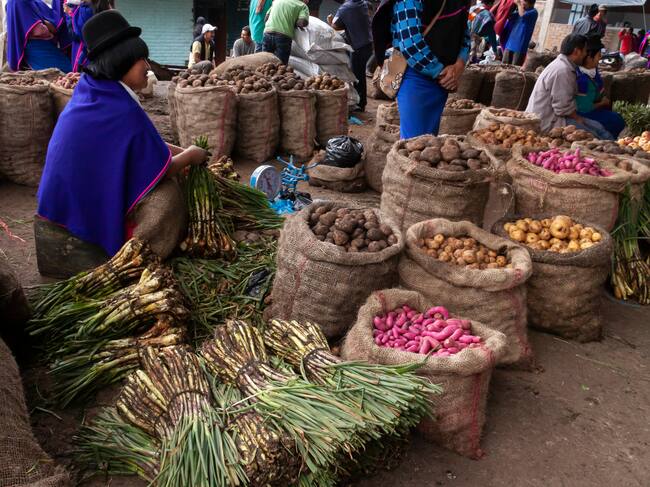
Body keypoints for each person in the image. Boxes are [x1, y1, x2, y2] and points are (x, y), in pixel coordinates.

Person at [37, 10, 208, 259]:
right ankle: (141, 256)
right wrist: (191, 156)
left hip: (57, 200)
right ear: (121, 59)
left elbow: (142, 145)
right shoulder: (122, 108)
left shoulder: (93, 89)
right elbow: (163, 169)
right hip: (76, 210)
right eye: (142, 60)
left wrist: (183, 151)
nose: (147, 67)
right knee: (168, 198)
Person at [372, 0, 471, 138]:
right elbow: (411, 43)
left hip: (441, 79)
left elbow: (465, 32)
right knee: (414, 144)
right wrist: (444, 73)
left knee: (427, 139)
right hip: (415, 76)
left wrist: (458, 66)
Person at [526, 34, 611, 139]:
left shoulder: (564, 66)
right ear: (576, 51)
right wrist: (579, 119)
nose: (585, 54)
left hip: (557, 116)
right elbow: (562, 108)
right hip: (548, 122)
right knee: (596, 136)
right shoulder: (563, 70)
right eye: (584, 51)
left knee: (599, 127)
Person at [576, 36, 625, 139]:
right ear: (589, 57)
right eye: (598, 56)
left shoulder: (592, 71)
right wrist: (602, 103)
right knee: (616, 121)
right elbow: (585, 108)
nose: (600, 59)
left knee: (616, 117)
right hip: (583, 113)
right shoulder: (582, 79)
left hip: (594, 108)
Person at [327, 0, 373, 112]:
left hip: (358, 47)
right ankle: (360, 101)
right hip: (367, 43)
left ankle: (360, 104)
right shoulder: (363, 4)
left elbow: (336, 26)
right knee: (360, 74)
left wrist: (329, 21)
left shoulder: (345, 8)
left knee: (357, 76)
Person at [6, 0, 72, 72]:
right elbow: (40, 31)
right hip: (38, 48)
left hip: (42, 46)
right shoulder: (19, 1)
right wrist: (50, 29)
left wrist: (46, 24)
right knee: (67, 72)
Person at [66, 0, 112, 72]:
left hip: (89, 56)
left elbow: (76, 36)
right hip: (105, 55)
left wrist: (69, 16)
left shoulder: (85, 10)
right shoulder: (104, 6)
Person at [262, 0, 310, 65]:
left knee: (264, 63)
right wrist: (292, 21)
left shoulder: (277, 1)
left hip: (267, 33)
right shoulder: (302, 6)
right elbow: (302, 22)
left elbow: (266, 19)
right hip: (283, 36)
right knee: (281, 65)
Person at [501, 0, 537, 66]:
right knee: (503, 66)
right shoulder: (520, 11)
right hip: (509, 45)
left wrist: (518, 4)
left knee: (514, 69)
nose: (521, 4)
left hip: (519, 47)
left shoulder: (533, 12)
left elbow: (523, 15)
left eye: (523, 2)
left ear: (530, 3)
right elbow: (509, 16)